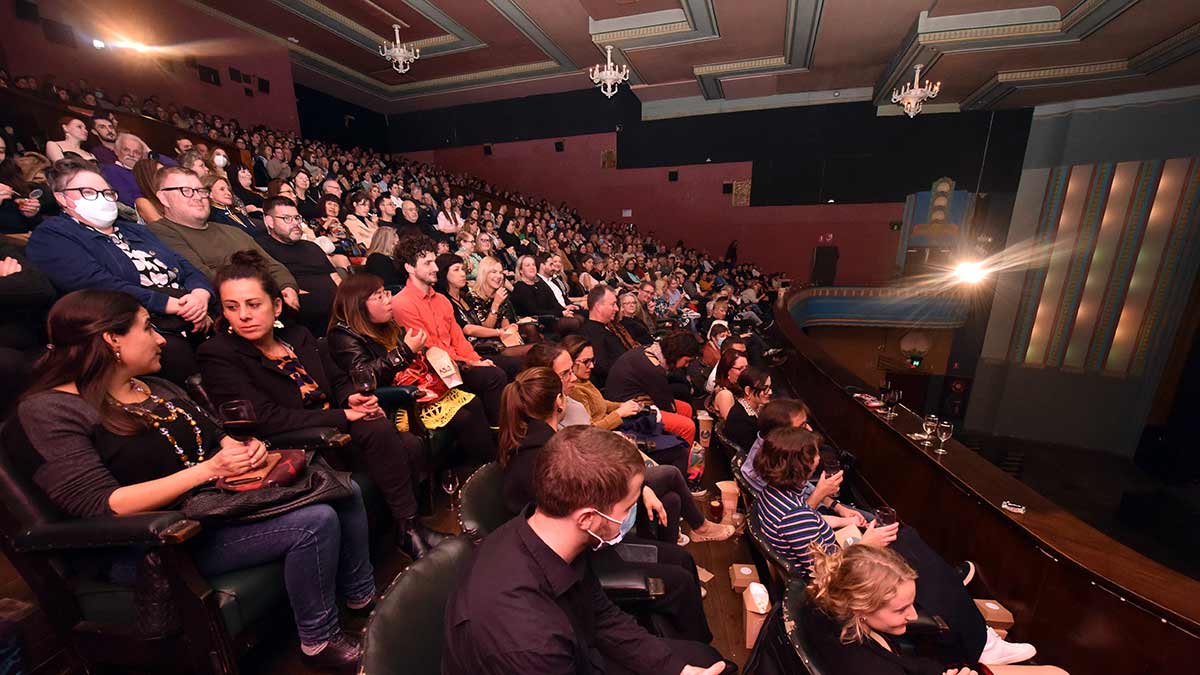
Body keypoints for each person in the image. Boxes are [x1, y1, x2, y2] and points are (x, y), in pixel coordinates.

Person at [10, 289, 371, 671]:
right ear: (111, 339)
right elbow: (102, 504)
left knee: (341, 488)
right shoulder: (52, 410)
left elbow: (217, 434)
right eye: (148, 328)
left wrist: (245, 451)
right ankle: (319, 641)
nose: (161, 338)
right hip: (154, 541)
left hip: (214, 507)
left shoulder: (155, 386)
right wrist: (209, 470)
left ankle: (362, 601)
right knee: (313, 523)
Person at [195, 252, 442, 561]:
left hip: (339, 427)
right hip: (298, 441)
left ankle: (404, 529)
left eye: (253, 304)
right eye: (232, 307)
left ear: (277, 306)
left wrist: (351, 399)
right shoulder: (218, 353)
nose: (243, 315)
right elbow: (265, 418)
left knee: (407, 443)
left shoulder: (298, 336)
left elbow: (337, 382)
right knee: (383, 430)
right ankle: (408, 530)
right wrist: (344, 413)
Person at [444, 425, 733, 674]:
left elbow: (600, 616)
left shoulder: (549, 538)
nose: (630, 516)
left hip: (580, 648)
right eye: (628, 508)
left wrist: (675, 668)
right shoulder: (531, 642)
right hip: (567, 660)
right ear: (587, 518)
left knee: (703, 659)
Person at [755, 428, 1038, 667]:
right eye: (814, 454)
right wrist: (864, 544)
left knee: (905, 539)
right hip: (833, 587)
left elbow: (809, 527)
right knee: (906, 549)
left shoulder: (774, 495)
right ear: (797, 463)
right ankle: (980, 640)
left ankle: (947, 582)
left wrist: (842, 520)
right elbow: (830, 571)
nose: (819, 459)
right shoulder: (795, 517)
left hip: (832, 566)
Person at [27, 158, 213, 383]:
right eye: (87, 191)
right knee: (174, 353)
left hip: (187, 308)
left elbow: (185, 266)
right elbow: (97, 284)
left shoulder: (134, 230)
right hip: (131, 322)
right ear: (61, 197)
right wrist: (174, 305)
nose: (102, 198)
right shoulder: (51, 236)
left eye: (107, 192)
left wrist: (199, 297)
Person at [804, 545, 1067, 675]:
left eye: (911, 604)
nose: (913, 615)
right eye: (900, 609)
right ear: (861, 607)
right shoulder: (866, 666)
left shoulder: (829, 608)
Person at [325, 272, 495, 465]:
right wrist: (404, 352)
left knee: (473, 402)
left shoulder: (386, 325)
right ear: (358, 304)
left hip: (419, 385)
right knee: (463, 417)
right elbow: (365, 375)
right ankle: (479, 473)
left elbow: (416, 356)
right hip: (393, 401)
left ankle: (487, 470)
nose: (389, 300)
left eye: (386, 293)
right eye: (379, 296)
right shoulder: (342, 336)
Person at [147, 166, 301, 312]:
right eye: (186, 191)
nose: (198, 197)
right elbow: (200, 275)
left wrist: (287, 287)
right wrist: (267, 291)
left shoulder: (233, 231)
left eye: (201, 191)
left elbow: (273, 266)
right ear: (163, 198)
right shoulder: (160, 232)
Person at [391, 233, 507, 425]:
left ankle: (508, 428)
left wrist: (476, 359)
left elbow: (458, 338)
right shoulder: (401, 303)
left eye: (434, 262)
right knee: (494, 375)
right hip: (437, 369)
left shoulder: (442, 300)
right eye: (427, 263)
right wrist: (471, 363)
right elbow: (429, 349)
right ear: (409, 267)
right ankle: (500, 435)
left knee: (510, 365)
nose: (436, 268)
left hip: (458, 362)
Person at [254, 197, 339, 336]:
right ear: (270, 221)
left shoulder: (312, 247)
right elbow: (269, 283)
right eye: (287, 218)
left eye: (297, 218)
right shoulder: (262, 247)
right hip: (303, 309)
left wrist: (348, 299)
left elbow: (336, 279)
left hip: (336, 306)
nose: (295, 224)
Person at [436, 253, 527, 377]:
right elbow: (468, 329)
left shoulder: (464, 296)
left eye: (463, 269)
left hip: (487, 343)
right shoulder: (445, 300)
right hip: (474, 349)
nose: (463, 273)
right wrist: (499, 331)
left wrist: (508, 328)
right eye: (456, 270)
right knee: (521, 360)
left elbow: (487, 324)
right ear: (444, 274)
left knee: (533, 349)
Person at [606, 330, 699, 448]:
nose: (686, 365)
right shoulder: (654, 369)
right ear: (677, 354)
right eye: (687, 361)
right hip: (628, 411)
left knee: (686, 409)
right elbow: (668, 407)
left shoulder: (649, 350)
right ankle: (682, 459)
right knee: (688, 427)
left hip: (634, 399)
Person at [579, 284, 629, 388]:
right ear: (598, 306)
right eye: (613, 304)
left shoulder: (609, 327)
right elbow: (603, 368)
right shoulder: (590, 333)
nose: (616, 309)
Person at [100, 133, 148, 207]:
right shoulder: (111, 170)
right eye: (126, 150)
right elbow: (126, 199)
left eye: (136, 152)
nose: (131, 154)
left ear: (142, 156)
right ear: (116, 151)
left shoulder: (145, 173)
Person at [710, 349, 749, 420]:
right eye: (740, 368)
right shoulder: (725, 394)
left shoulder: (742, 387)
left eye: (746, 368)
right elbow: (732, 425)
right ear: (727, 370)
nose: (745, 372)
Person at [132, 158, 165, 224]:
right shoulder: (142, 202)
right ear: (149, 178)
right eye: (161, 173)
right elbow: (163, 227)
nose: (167, 176)